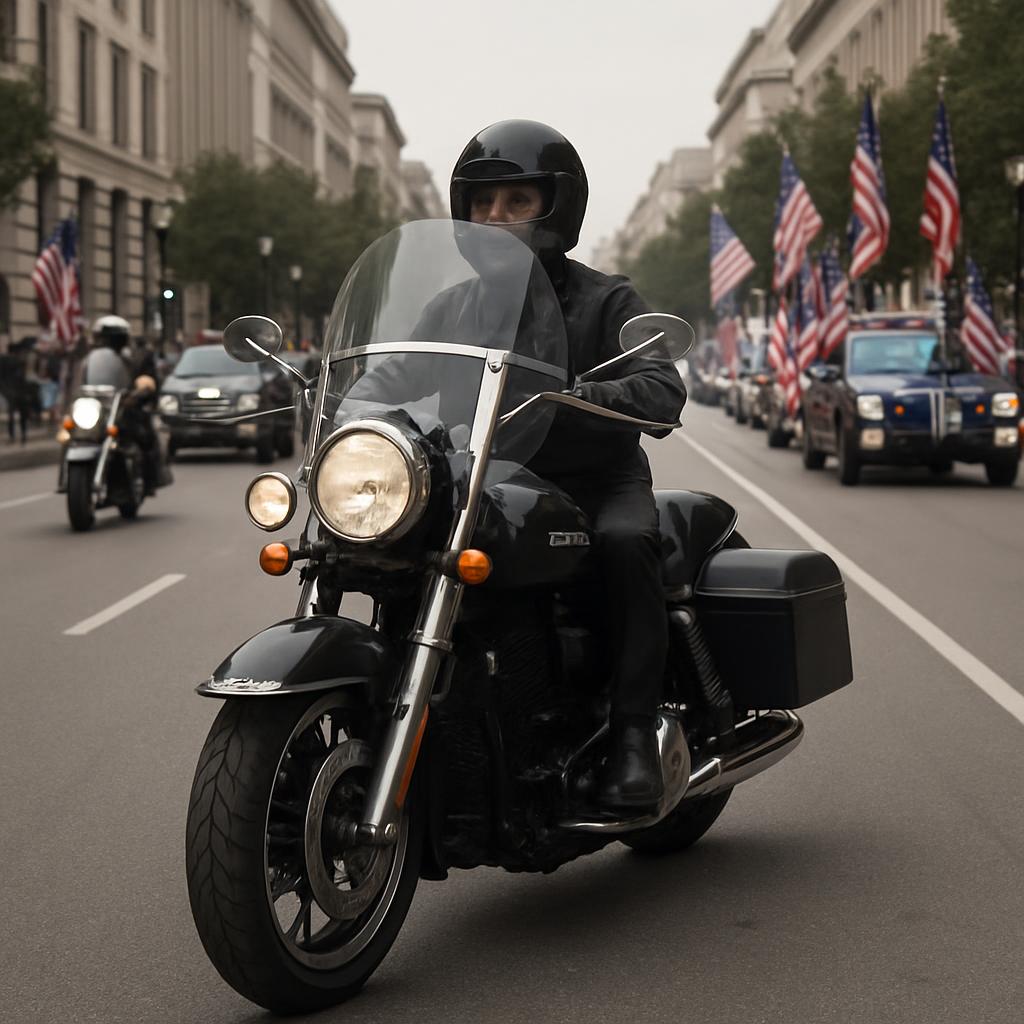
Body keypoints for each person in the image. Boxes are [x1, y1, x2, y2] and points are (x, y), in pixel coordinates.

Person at [449, 120, 686, 810]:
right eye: (482, 202)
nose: (495, 217)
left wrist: (585, 396)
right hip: (486, 482)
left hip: (593, 483)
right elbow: (395, 374)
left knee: (626, 543)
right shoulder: (453, 307)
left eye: (516, 201)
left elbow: (661, 387)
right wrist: (350, 401)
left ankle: (633, 733)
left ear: (557, 207)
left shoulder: (605, 299)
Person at [85, 315, 164, 494]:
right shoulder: (91, 359)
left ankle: (148, 479)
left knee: (144, 435)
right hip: (97, 408)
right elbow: (79, 381)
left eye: (109, 339)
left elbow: (148, 379)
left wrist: (139, 395)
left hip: (125, 406)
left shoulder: (137, 357)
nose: (105, 343)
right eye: (102, 338)